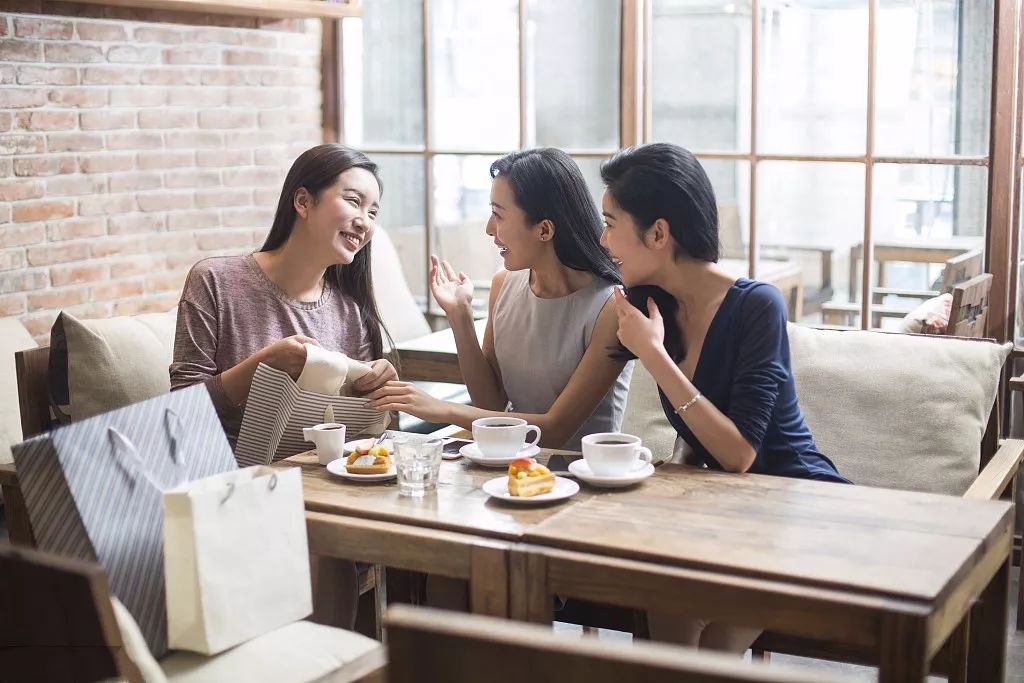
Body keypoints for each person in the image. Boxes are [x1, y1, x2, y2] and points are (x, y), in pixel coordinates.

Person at [598, 142, 850, 652]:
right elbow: (696, 440)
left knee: (711, 651)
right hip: (729, 511)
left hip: (799, 504)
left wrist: (654, 356)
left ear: (659, 233)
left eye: (609, 223)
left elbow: (739, 454)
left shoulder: (758, 304)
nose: (603, 240)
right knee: (662, 606)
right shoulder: (653, 306)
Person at [170, 143, 398, 628]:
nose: (365, 221)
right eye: (354, 201)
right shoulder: (215, 281)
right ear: (303, 201)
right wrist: (264, 364)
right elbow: (182, 414)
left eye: (373, 211)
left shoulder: (350, 311)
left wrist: (377, 392)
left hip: (320, 491)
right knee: (320, 534)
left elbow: (362, 439)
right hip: (231, 488)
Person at [367, 148, 632, 450]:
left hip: (585, 479)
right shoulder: (504, 283)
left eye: (498, 214)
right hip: (510, 468)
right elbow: (491, 402)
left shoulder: (611, 306)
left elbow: (556, 430)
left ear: (544, 229)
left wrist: (441, 409)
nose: (489, 228)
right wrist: (460, 316)